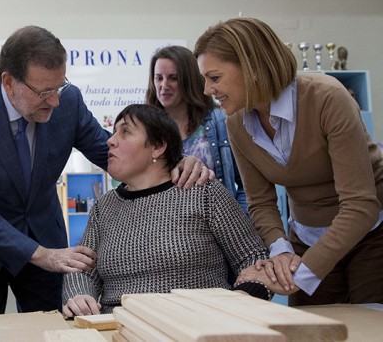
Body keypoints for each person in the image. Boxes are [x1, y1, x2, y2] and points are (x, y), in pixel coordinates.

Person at [0, 25, 214, 316]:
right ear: (9, 82)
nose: (55, 101)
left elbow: (109, 152)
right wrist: (41, 254)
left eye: (59, 87)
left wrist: (173, 159)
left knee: (49, 329)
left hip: (45, 237)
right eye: (45, 92)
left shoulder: (68, 102)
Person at [194, 17, 383, 305]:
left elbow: (361, 205)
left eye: (215, 78)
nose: (207, 90)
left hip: (372, 235)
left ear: (252, 67)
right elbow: (261, 202)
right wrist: (280, 251)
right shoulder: (235, 124)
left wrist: (299, 274)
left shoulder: (327, 97)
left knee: (368, 324)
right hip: (306, 237)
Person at [62, 104, 275, 316]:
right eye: (114, 131)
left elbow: (253, 258)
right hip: (119, 327)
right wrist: (80, 296)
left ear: (158, 146)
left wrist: (242, 301)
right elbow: (83, 268)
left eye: (125, 131)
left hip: (198, 325)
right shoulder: (104, 206)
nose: (110, 140)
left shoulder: (203, 192)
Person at [146, 45, 246, 211]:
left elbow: (247, 185)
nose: (164, 85)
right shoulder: (146, 128)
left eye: (173, 78)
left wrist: (237, 223)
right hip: (163, 231)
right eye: (158, 78)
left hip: (217, 230)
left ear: (189, 80)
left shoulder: (220, 121)